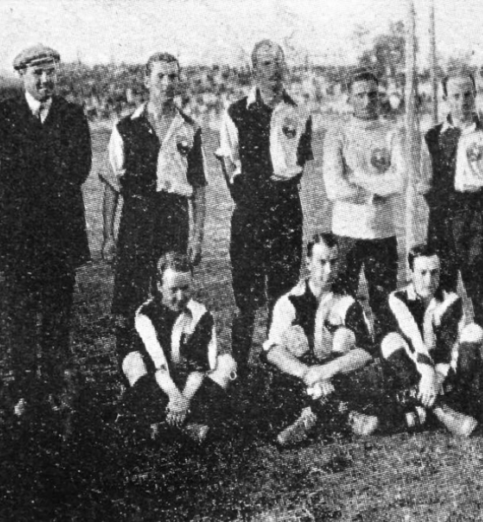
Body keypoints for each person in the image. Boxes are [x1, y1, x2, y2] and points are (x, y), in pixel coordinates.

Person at [0, 44, 92, 424]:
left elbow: (79, 170)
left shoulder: (72, 116)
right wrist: (4, 209)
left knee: (58, 317)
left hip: (60, 235)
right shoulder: (2, 115)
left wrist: (39, 194)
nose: (45, 81)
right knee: (22, 317)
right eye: (37, 74)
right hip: (19, 236)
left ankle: (57, 388)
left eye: (51, 73)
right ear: (22, 76)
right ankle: (25, 391)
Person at [100, 52, 207, 365]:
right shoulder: (125, 127)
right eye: (160, 76)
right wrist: (108, 235)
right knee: (129, 299)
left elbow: (198, 188)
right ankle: (132, 377)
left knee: (171, 297)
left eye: (173, 76)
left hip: (174, 218)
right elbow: (111, 186)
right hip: (136, 219)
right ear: (146, 80)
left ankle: (168, 371)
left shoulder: (189, 128)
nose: (167, 83)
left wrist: (197, 237)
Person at [216, 40, 313, 369]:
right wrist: (243, 197)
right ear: (255, 69)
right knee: (246, 299)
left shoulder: (298, 112)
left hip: (286, 213)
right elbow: (227, 160)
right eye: (267, 64)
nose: (275, 70)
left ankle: (279, 368)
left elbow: (300, 162)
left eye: (279, 63)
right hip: (250, 214)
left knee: (282, 297)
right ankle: (240, 369)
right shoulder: (236, 111)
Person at [264, 233, 381, 446]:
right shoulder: (289, 301)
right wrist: (309, 374)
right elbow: (273, 350)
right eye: (322, 262)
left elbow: (365, 351)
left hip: (334, 376)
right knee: (293, 339)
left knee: (345, 339)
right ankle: (345, 416)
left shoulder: (347, 302)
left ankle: (309, 416)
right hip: (303, 378)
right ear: (308, 263)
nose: (328, 270)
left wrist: (326, 371)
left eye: (333, 262)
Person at [423, 69, 483, 328]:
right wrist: (440, 208)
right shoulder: (434, 136)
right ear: (445, 98)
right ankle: (445, 341)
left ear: (475, 95)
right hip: (443, 215)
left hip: (477, 213)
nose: (462, 101)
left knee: (479, 283)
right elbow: (426, 182)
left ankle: (479, 340)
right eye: (456, 96)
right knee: (443, 282)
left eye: (467, 94)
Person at [118, 252, 237, 443]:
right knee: (132, 360)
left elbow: (200, 368)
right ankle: (172, 423)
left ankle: (170, 425)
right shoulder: (146, 314)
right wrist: (175, 397)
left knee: (226, 362)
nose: (180, 296)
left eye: (186, 288)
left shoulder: (201, 314)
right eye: (173, 289)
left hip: (191, 386)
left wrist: (184, 400)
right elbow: (159, 366)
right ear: (159, 286)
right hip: (159, 385)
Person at [323, 70, 406, 337]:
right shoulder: (338, 133)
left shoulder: (392, 132)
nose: (367, 100)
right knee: (343, 302)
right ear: (350, 98)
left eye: (372, 94)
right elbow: (334, 186)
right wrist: (374, 192)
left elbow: (400, 181)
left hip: (382, 231)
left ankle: (386, 360)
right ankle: (345, 358)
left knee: (385, 302)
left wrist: (356, 177)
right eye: (360, 95)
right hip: (347, 232)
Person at [378, 244, 483, 437]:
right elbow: (412, 339)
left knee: (474, 331)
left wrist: (436, 380)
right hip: (412, 368)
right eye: (422, 272)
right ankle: (440, 412)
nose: (429, 280)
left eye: (435, 273)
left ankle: (420, 410)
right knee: (390, 341)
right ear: (410, 272)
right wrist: (427, 375)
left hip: (441, 376)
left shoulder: (451, 300)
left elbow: (449, 348)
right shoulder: (397, 298)